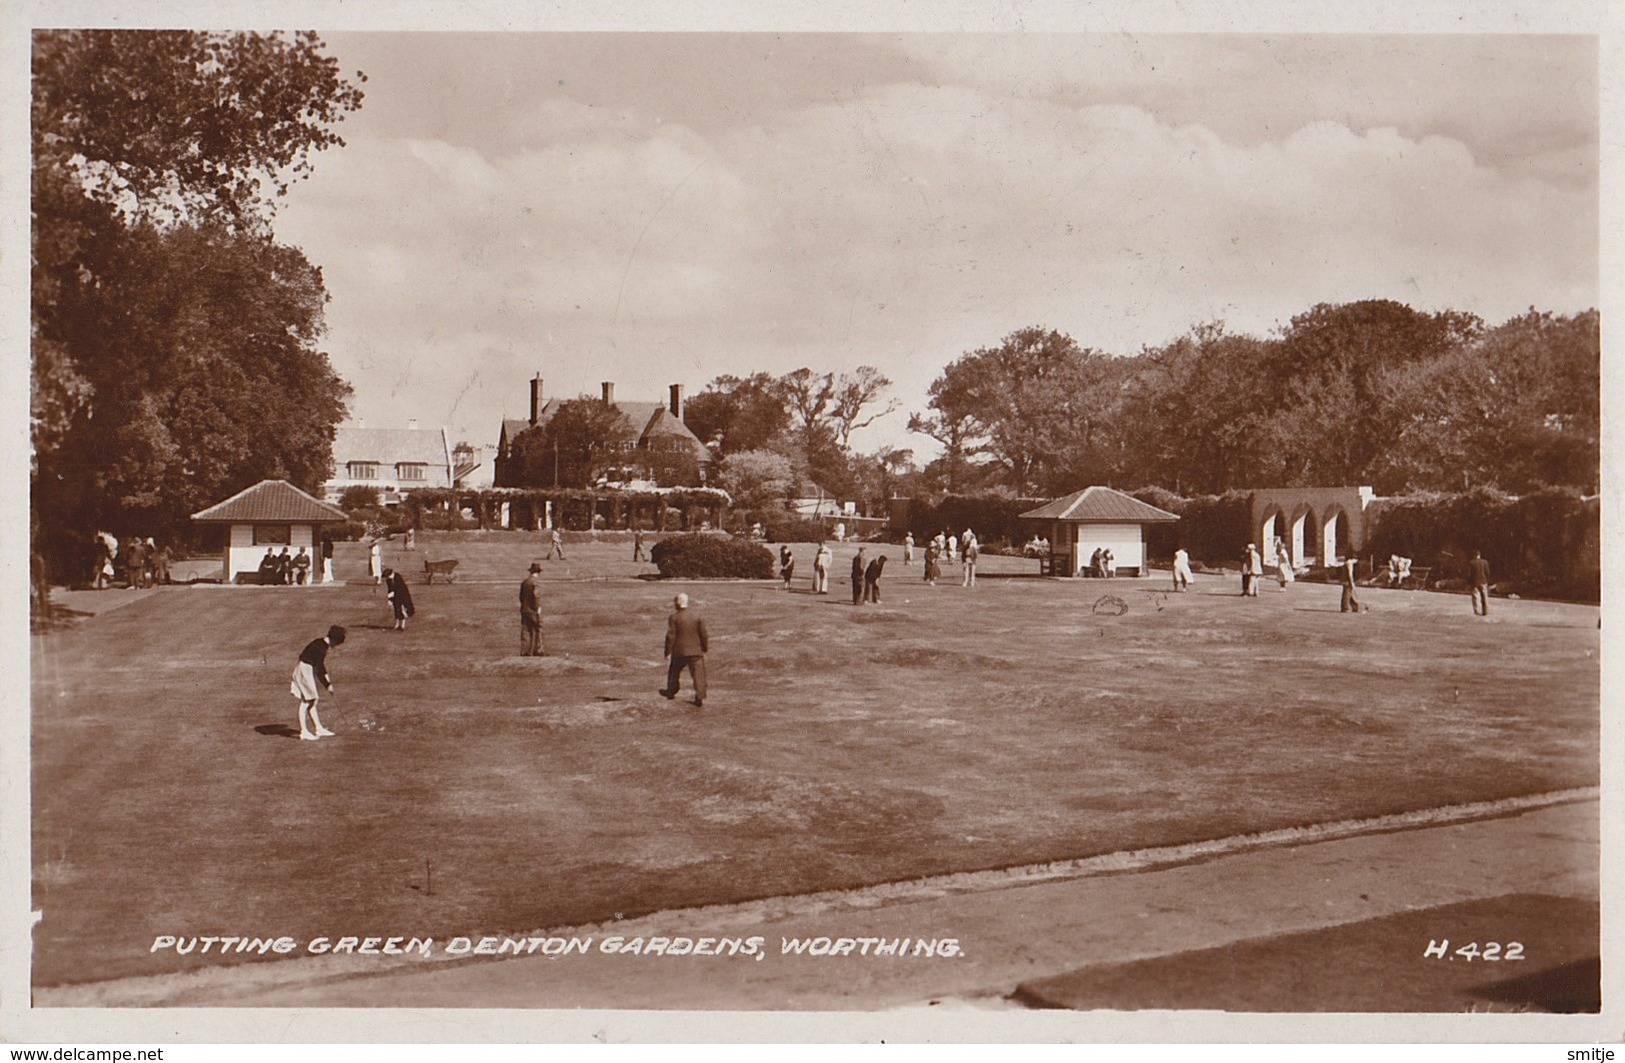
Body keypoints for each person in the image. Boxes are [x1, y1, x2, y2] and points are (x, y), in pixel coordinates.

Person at [291, 625, 345, 741]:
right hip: (304, 670)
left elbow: (321, 666)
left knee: (313, 700)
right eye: (336, 644)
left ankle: (318, 728)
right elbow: (319, 668)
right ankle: (304, 732)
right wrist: (327, 685)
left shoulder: (320, 643)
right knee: (307, 701)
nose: (335, 647)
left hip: (305, 669)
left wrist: (328, 681)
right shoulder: (321, 649)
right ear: (334, 640)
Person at [661, 593, 709, 707]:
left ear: (677, 603)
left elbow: (670, 636)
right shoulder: (697, 616)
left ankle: (671, 692)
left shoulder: (674, 617)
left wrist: (667, 652)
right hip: (695, 651)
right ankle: (700, 696)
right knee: (698, 675)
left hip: (679, 651)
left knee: (674, 672)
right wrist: (705, 648)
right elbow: (704, 634)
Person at [519, 562, 544, 656]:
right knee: (538, 628)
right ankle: (538, 650)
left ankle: (525, 651)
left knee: (525, 629)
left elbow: (521, 597)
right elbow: (536, 596)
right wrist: (538, 608)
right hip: (533, 610)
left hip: (524, 609)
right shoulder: (535, 582)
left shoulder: (525, 582)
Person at [383, 566, 415, 631]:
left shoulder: (398, 577)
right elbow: (390, 589)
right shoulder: (388, 580)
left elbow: (400, 589)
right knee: (396, 609)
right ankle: (397, 625)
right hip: (395, 596)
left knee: (402, 610)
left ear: (391, 574)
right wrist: (390, 599)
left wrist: (401, 603)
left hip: (403, 595)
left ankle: (402, 626)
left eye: (387, 576)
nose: (387, 578)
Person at [1468, 551, 1491, 616]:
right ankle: (1485, 611)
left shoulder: (1471, 563)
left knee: (1475, 597)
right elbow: (1487, 573)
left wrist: (1469, 582)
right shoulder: (1485, 562)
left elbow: (1469, 574)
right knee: (1484, 597)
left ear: (1474, 555)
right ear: (1479, 555)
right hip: (1483, 581)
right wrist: (1487, 580)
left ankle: (1477, 611)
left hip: (1474, 582)